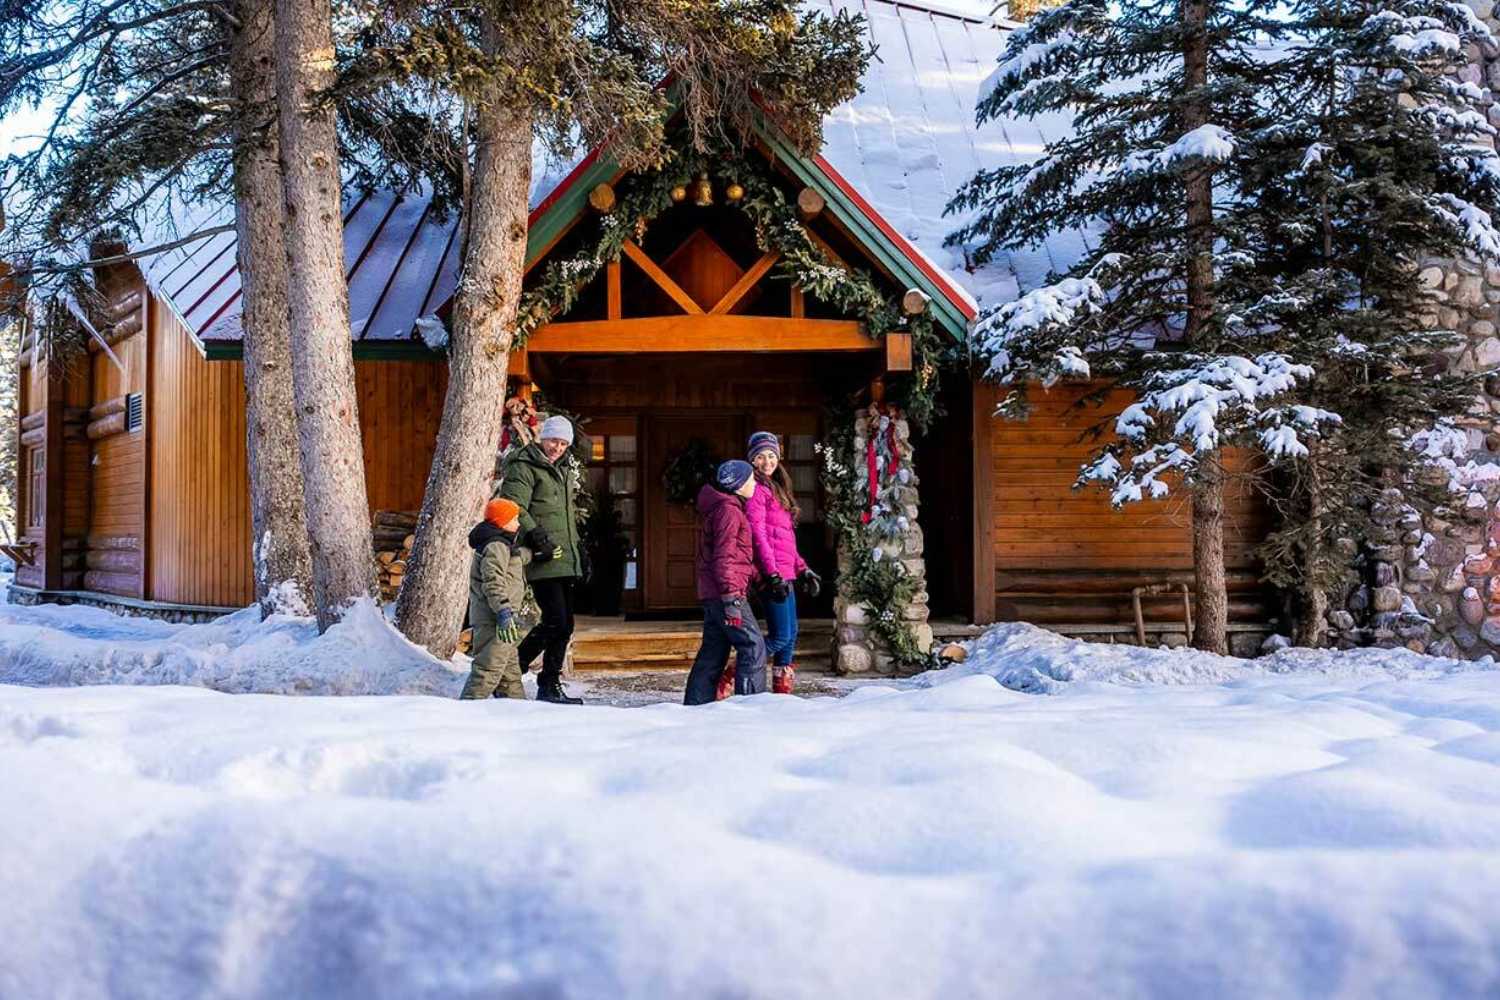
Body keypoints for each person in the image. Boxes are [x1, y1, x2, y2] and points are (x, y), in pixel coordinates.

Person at [500, 414, 584, 705]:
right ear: (542, 437)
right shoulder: (525, 467)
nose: (557, 447)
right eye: (553, 440)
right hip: (542, 555)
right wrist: (536, 536)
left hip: (564, 556)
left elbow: (564, 516)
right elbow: (513, 506)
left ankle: (549, 685)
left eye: (563, 443)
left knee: (566, 624)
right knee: (555, 621)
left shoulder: (561, 470)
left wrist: (578, 550)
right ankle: (510, 672)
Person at [743, 431, 822, 695]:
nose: (767, 461)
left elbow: (786, 541)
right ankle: (734, 672)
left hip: (785, 572)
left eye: (772, 455)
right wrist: (772, 574)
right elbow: (758, 535)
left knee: (791, 634)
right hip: (771, 574)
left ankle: (782, 691)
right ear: (752, 460)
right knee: (780, 636)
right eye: (761, 456)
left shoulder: (777, 488)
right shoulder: (756, 491)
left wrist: (804, 569)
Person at [684, 460, 767, 705]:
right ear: (738, 484)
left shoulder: (726, 508)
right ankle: (751, 707)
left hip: (714, 593)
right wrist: (731, 597)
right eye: (751, 479)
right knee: (752, 645)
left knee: (714, 650)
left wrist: (760, 579)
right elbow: (725, 556)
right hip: (725, 594)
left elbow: (736, 556)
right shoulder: (729, 512)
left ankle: (696, 705)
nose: (754, 483)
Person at [459, 498, 531, 700]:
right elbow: (493, 581)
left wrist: (535, 553)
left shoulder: (502, 543)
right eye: (514, 518)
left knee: (509, 675)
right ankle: (466, 710)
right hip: (495, 619)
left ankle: (516, 714)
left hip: (501, 617)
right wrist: (503, 612)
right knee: (488, 669)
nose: (518, 523)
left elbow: (513, 560)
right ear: (502, 521)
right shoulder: (496, 545)